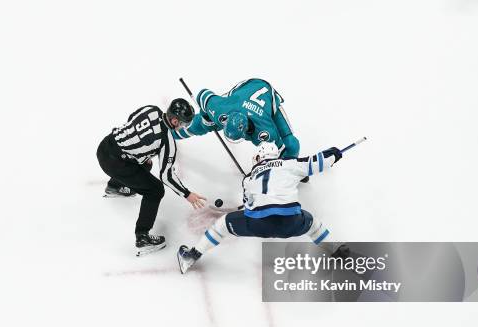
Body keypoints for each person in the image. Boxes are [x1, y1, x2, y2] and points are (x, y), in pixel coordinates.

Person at [176, 142, 346, 274]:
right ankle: (339, 254)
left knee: (223, 224)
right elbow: (318, 162)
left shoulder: (248, 179)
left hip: (258, 224)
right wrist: (334, 154)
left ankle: (192, 256)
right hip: (290, 223)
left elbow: (248, 203)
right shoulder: (290, 163)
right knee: (313, 224)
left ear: (259, 157)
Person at [97, 98, 206, 256]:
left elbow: (132, 118)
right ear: (174, 121)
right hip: (116, 164)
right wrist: (187, 194)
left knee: (146, 164)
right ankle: (142, 238)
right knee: (155, 190)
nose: (183, 126)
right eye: (183, 123)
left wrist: (141, 148)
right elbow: (166, 176)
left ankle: (114, 187)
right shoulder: (167, 141)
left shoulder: (151, 109)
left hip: (106, 145)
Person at [171, 78, 301, 159]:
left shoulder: (265, 132)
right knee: (204, 123)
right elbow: (202, 95)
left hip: (267, 96)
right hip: (242, 92)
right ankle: (172, 134)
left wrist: (285, 164)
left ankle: (293, 170)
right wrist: (206, 116)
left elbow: (277, 151)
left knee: (291, 145)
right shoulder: (220, 110)